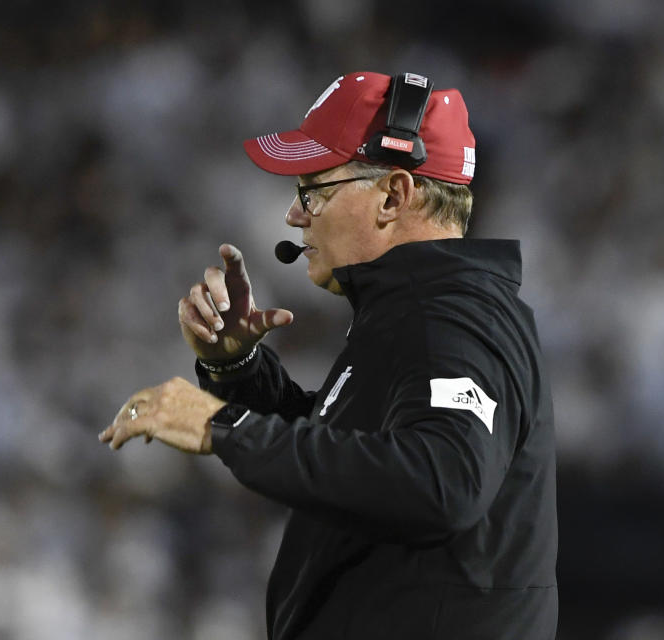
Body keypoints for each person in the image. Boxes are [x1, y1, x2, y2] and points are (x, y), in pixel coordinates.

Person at [100, 71, 558, 639]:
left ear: (394, 195)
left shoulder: (453, 315)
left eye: (312, 190)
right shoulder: (418, 310)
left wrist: (226, 426)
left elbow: (442, 482)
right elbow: (367, 461)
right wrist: (241, 373)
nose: (295, 215)